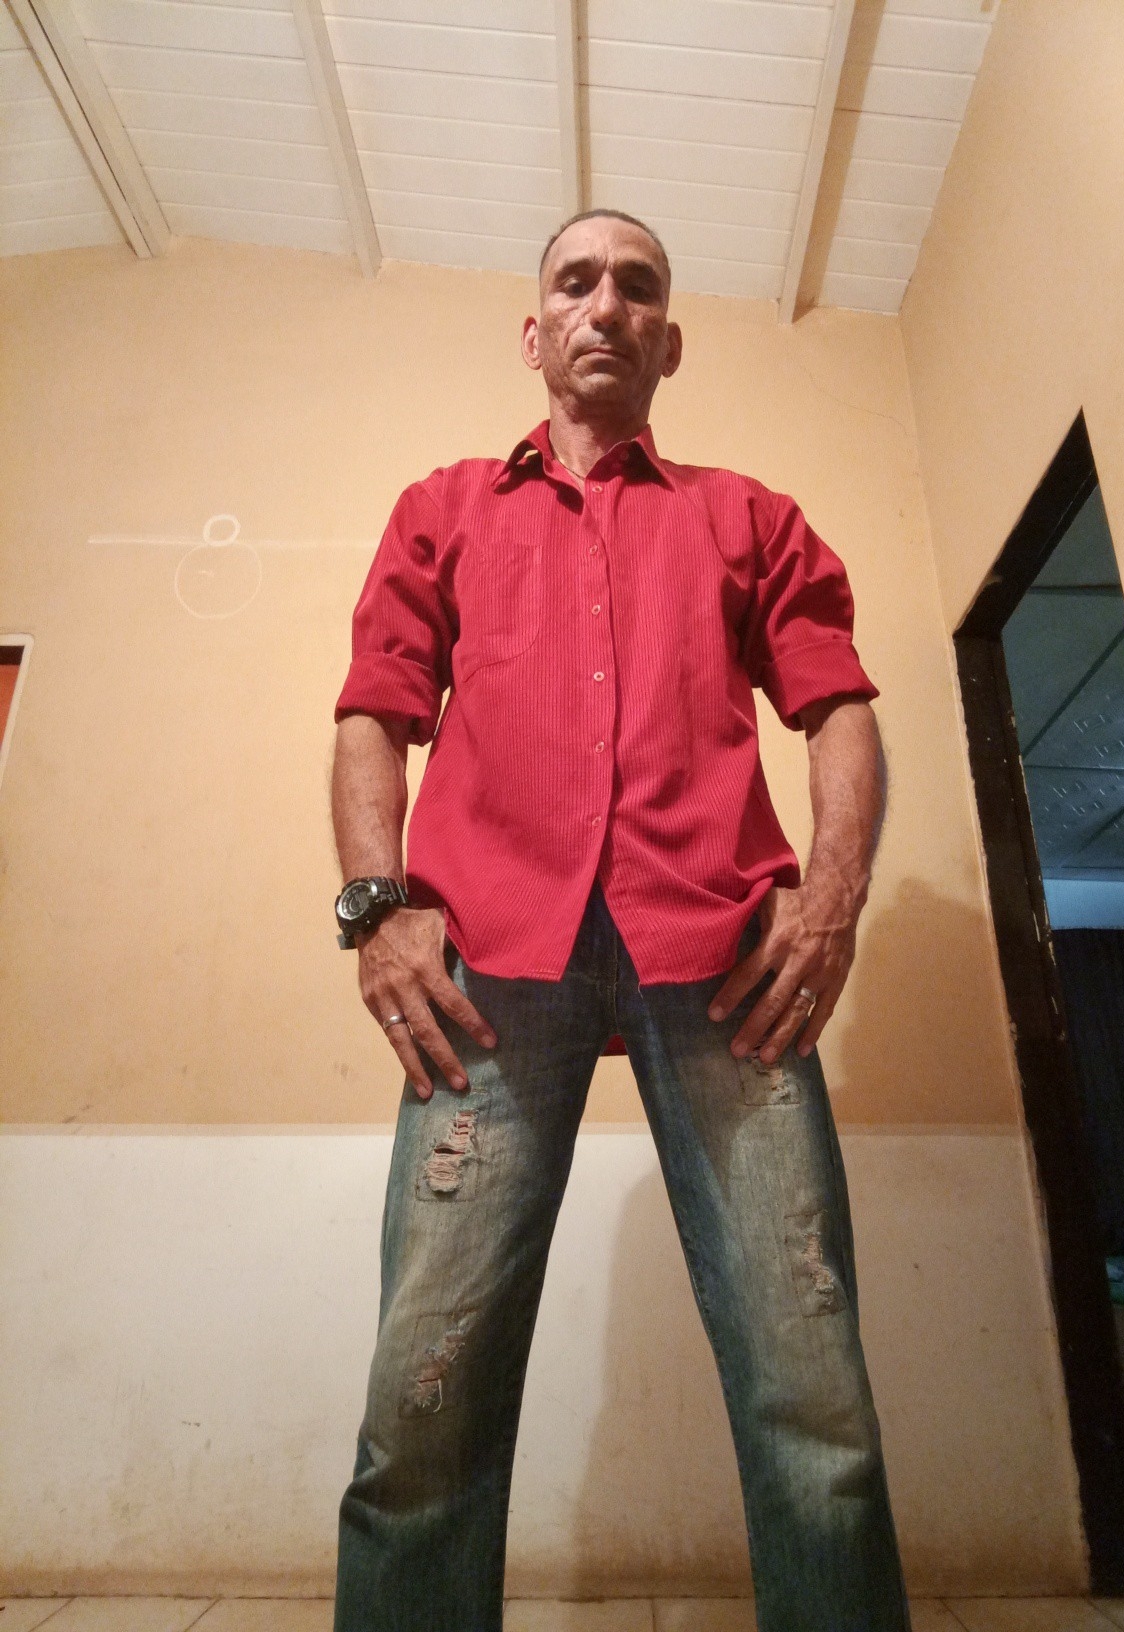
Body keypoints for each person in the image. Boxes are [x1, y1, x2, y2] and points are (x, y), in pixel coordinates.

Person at [329, 208, 910, 1632]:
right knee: (423, 1405)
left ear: (670, 342)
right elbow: (373, 714)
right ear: (534, 334)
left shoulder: (747, 516)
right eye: (576, 283)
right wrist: (377, 911)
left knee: (814, 1397)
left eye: (637, 287)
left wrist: (831, 901)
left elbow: (839, 707)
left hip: (724, 963)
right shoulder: (442, 510)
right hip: (484, 968)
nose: (606, 305)